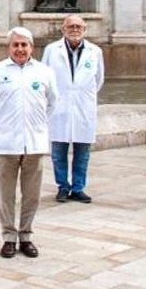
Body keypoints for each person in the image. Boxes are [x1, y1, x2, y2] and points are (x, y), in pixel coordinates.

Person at [0, 26, 58, 259]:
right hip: (7, 144)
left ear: (32, 47)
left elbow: (52, 102)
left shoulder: (45, 72)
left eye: (24, 44)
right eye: (16, 44)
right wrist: (3, 124)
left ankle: (26, 235)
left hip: (34, 143)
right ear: (9, 47)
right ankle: (8, 237)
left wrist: (36, 125)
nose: (20, 49)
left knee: (32, 194)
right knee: (6, 194)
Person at [41, 14, 105, 203]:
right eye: (71, 26)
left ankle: (78, 187)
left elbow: (98, 79)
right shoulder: (52, 50)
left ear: (85, 30)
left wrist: (82, 95)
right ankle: (62, 186)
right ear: (63, 29)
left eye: (78, 26)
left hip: (83, 107)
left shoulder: (95, 52)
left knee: (82, 151)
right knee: (58, 151)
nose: (75, 29)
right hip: (59, 107)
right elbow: (44, 77)